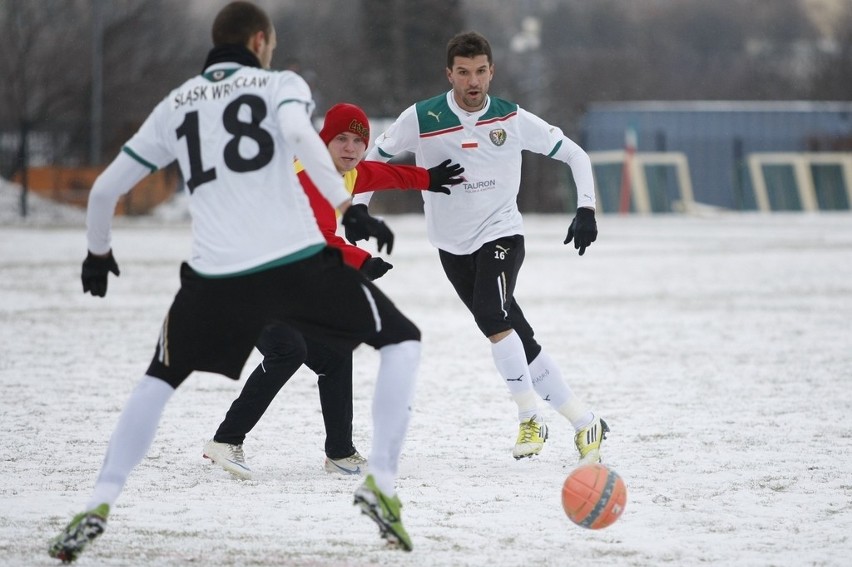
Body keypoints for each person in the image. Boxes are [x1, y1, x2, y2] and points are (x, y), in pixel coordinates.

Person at [48, 3, 418, 560]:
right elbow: (299, 132)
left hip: (213, 273)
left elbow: (103, 192)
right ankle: (381, 488)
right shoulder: (281, 84)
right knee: (402, 340)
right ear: (260, 41)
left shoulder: (175, 103)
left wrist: (97, 253)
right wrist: (350, 206)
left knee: (158, 378)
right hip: (291, 264)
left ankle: (99, 501)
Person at [350, 31, 607, 464]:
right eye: (464, 72)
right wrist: (357, 211)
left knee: (491, 315)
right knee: (515, 335)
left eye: (481, 71)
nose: (474, 82)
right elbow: (372, 164)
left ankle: (530, 416)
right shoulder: (421, 117)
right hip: (451, 247)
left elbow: (576, 155)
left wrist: (586, 208)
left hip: (502, 233)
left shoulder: (511, 118)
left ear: (492, 72)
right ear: (449, 73)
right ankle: (585, 422)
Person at [202, 102, 463, 479]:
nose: (351, 148)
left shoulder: (348, 174)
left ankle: (340, 453)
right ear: (324, 140)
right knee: (287, 349)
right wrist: (363, 261)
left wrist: (428, 178)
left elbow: (386, 174)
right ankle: (226, 441)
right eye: (341, 138)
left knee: (335, 353)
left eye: (359, 140)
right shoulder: (308, 175)